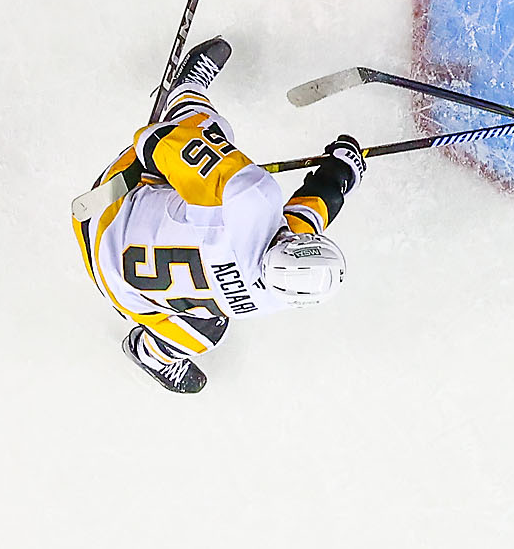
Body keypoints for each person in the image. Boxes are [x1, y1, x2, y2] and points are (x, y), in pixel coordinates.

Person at [72, 36, 361, 393]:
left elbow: (159, 140)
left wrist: (342, 172)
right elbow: (300, 221)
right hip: (120, 290)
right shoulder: (273, 297)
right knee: (209, 329)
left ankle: (186, 90)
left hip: (104, 210)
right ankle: (151, 352)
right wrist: (338, 179)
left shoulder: (251, 199)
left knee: (208, 135)